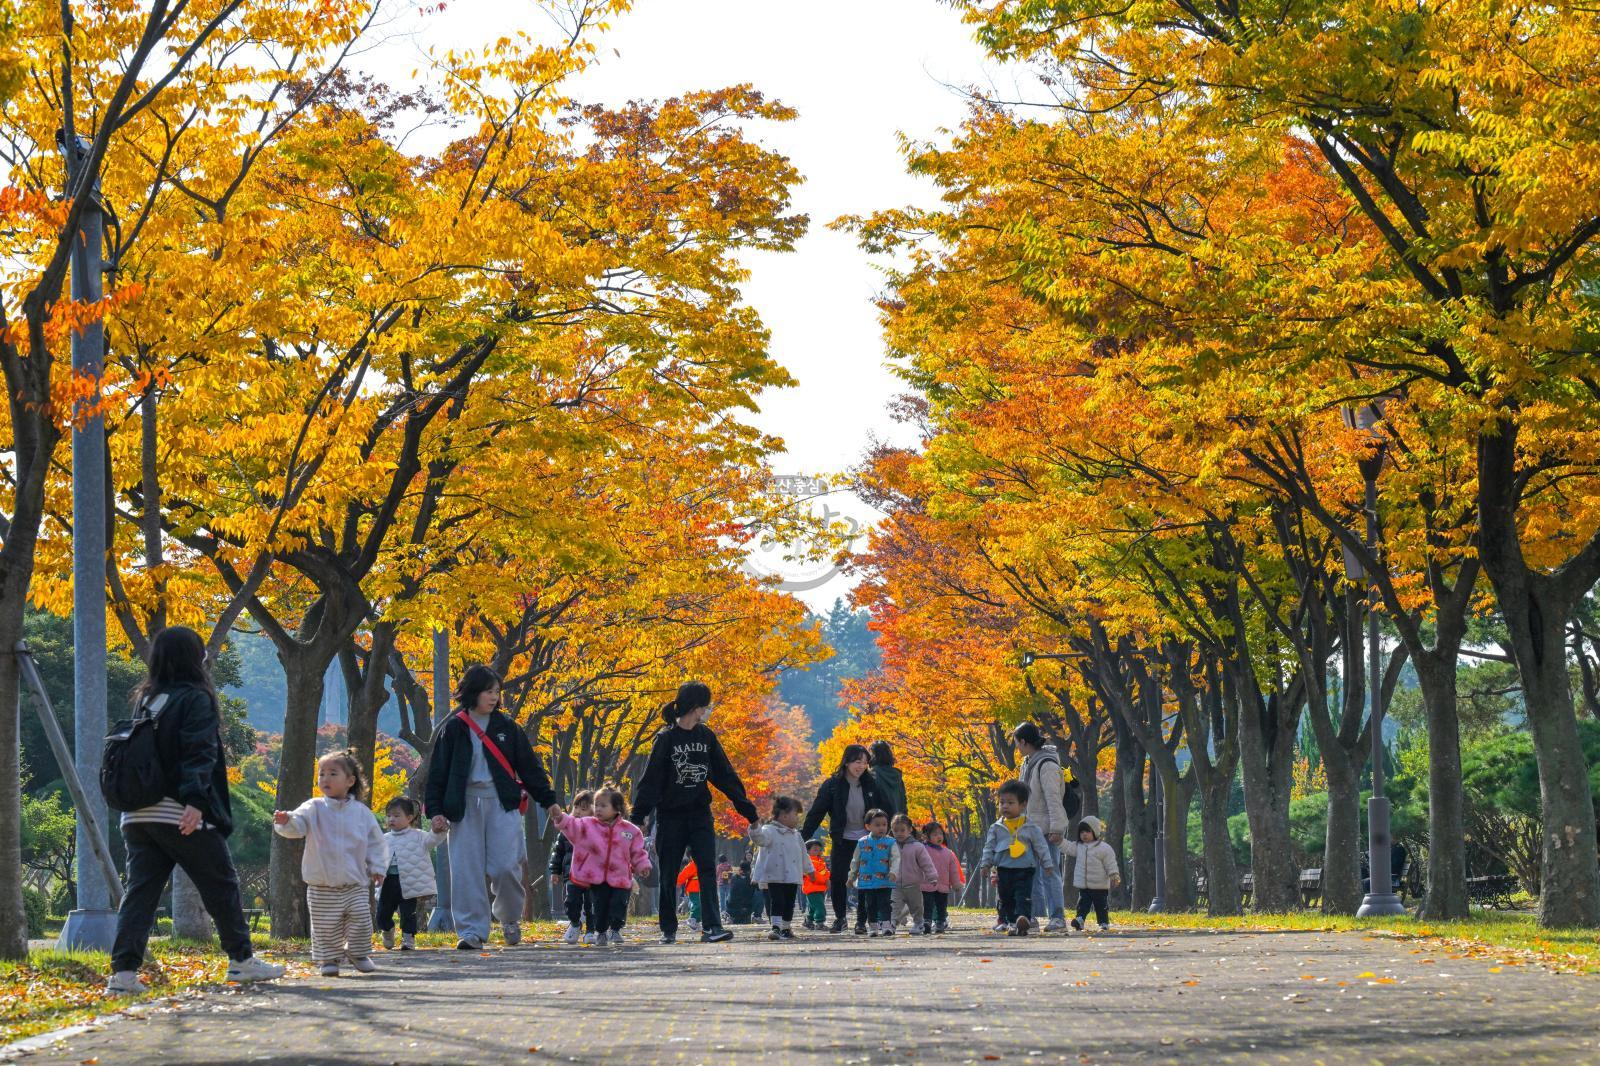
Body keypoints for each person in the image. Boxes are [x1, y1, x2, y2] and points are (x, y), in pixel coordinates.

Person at [107, 626, 286, 994]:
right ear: (195, 657)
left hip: (137, 815)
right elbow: (197, 752)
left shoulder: (147, 698)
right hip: (178, 812)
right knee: (221, 883)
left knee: (140, 894)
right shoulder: (194, 698)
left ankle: (123, 975)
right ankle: (241, 960)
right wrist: (195, 803)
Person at [425, 664, 561, 950]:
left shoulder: (507, 727)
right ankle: (472, 931)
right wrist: (435, 811)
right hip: (464, 807)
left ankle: (510, 917)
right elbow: (437, 773)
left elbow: (529, 767)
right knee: (466, 870)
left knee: (504, 867)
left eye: (497, 692)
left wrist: (549, 802)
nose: (494, 697)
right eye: (489, 691)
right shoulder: (453, 728)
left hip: (502, 803)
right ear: (472, 692)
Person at [631, 680, 759, 944]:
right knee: (668, 872)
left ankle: (712, 927)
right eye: (705, 706)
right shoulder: (666, 739)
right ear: (696, 706)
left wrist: (747, 809)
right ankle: (668, 928)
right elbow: (651, 779)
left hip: (700, 813)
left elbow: (725, 775)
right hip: (670, 816)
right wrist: (637, 818)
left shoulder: (706, 737)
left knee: (707, 869)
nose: (707, 711)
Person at [273, 751, 389, 976]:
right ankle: (329, 960)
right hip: (321, 884)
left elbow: (376, 842)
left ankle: (358, 952)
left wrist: (378, 868)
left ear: (350, 781)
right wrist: (286, 821)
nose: (325, 779)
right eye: (321, 774)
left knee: (361, 920)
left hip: (354, 882)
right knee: (325, 926)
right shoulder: (313, 807)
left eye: (332, 773)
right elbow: (297, 825)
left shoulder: (362, 813)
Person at [800, 743, 886, 934]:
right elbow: (817, 812)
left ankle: (863, 921)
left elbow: (882, 811)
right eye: (857, 761)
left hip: (867, 840)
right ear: (846, 762)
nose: (861, 766)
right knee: (838, 879)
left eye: (865, 762)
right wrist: (802, 837)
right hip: (842, 839)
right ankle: (840, 918)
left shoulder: (871, 784)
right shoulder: (832, 785)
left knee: (865, 881)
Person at [551, 785, 651, 946]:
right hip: (597, 878)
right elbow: (571, 825)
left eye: (603, 806)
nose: (598, 809)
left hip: (620, 877)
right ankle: (602, 931)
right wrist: (559, 817)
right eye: (596, 805)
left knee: (619, 904)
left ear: (617, 808)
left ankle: (616, 929)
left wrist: (642, 865)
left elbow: (637, 851)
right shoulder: (587, 825)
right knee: (600, 907)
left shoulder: (630, 830)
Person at [1013, 722, 1070, 932]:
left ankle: (1058, 918)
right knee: (1031, 873)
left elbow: (1053, 799)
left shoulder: (1047, 765)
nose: (1016, 748)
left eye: (1017, 743)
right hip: (1029, 828)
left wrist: (1057, 828)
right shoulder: (1027, 763)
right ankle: (1033, 918)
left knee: (1049, 872)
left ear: (1024, 742)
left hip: (1046, 829)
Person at [979, 779, 1052, 936]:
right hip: (1003, 869)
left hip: (1025, 869)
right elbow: (989, 847)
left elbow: (1041, 846)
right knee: (1006, 898)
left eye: (1011, 802)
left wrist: (1047, 864)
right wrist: (985, 865)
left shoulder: (1031, 827)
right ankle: (1013, 923)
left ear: (1023, 805)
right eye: (1002, 802)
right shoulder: (996, 827)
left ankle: (1023, 918)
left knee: (1023, 896)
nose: (1005, 806)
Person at [378, 796, 445, 950]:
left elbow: (432, 841)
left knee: (409, 913)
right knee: (382, 913)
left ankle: (408, 939)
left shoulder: (418, 835)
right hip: (388, 882)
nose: (391, 819)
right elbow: (374, 856)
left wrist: (437, 831)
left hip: (409, 881)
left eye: (396, 815)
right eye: (389, 816)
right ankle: (387, 930)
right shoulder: (384, 838)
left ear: (409, 818)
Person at [749, 796, 808, 941]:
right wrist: (755, 827)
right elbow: (759, 840)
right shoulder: (769, 830)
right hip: (774, 874)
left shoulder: (796, 835)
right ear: (784, 815)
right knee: (777, 900)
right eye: (795, 815)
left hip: (792, 876)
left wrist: (810, 870)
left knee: (789, 902)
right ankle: (775, 927)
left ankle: (786, 928)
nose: (797, 819)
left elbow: (803, 854)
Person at [552, 789, 596, 945]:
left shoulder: (597, 831)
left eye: (583, 809)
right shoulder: (566, 830)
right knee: (571, 902)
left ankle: (591, 930)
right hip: (571, 875)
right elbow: (558, 852)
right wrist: (555, 871)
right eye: (575, 807)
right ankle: (575, 923)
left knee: (592, 904)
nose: (577, 812)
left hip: (592, 875)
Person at [847, 809, 900, 937]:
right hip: (866, 881)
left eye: (884, 824)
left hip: (884, 880)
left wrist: (893, 872)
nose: (881, 827)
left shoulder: (890, 842)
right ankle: (873, 927)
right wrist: (851, 876)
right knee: (870, 905)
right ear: (868, 826)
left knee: (885, 903)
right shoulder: (862, 842)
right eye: (877, 825)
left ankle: (886, 926)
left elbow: (896, 858)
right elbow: (855, 860)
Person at [1067, 815, 1120, 932]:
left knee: (1101, 906)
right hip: (1084, 885)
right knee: (1082, 904)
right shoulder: (1079, 847)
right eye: (1081, 832)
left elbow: (1110, 863)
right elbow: (1068, 847)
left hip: (1099, 885)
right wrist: (1059, 841)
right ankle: (1080, 920)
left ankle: (1104, 923)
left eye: (1087, 831)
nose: (1084, 835)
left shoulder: (1104, 848)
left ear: (1095, 832)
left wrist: (1114, 875)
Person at [890, 814, 936, 935]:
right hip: (895, 885)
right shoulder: (890, 846)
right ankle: (891, 924)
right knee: (894, 907)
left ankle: (918, 924)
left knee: (916, 907)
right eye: (895, 830)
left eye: (902, 830)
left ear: (910, 830)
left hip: (913, 884)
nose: (899, 833)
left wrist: (932, 877)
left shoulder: (917, 847)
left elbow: (926, 863)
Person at [921, 821, 964, 934]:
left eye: (940, 833)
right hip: (926, 884)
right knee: (927, 904)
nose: (939, 836)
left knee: (942, 905)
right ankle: (927, 921)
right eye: (935, 834)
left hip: (943, 884)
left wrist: (955, 883)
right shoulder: (922, 850)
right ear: (926, 836)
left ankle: (940, 922)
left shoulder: (948, 853)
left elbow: (953, 870)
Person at [868, 740, 907, 819]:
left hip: (879, 823)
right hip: (898, 823)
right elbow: (904, 802)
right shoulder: (897, 775)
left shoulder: (872, 774)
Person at [801, 838, 830, 930]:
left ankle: (808, 921)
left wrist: (827, 879)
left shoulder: (820, 861)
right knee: (820, 906)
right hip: (812, 888)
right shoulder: (808, 862)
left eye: (819, 849)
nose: (818, 851)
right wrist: (825, 880)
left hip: (820, 888)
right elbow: (815, 875)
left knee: (813, 906)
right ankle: (820, 922)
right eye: (815, 849)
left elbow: (825, 873)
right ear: (807, 851)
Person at [677, 860, 704, 931]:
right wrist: (678, 882)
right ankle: (691, 919)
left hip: (700, 888)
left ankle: (697, 923)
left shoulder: (702, 862)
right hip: (693, 888)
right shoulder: (693, 864)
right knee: (697, 904)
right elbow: (684, 874)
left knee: (701, 905)